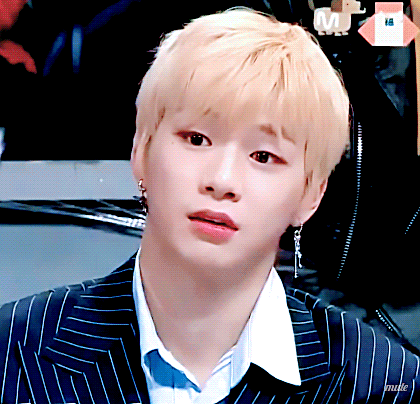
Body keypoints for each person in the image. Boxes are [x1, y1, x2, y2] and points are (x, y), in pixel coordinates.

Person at [1, 7, 419, 404]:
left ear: (311, 194)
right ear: (141, 151)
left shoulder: (382, 382)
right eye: (197, 139)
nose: (222, 181)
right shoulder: (11, 352)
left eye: (263, 157)